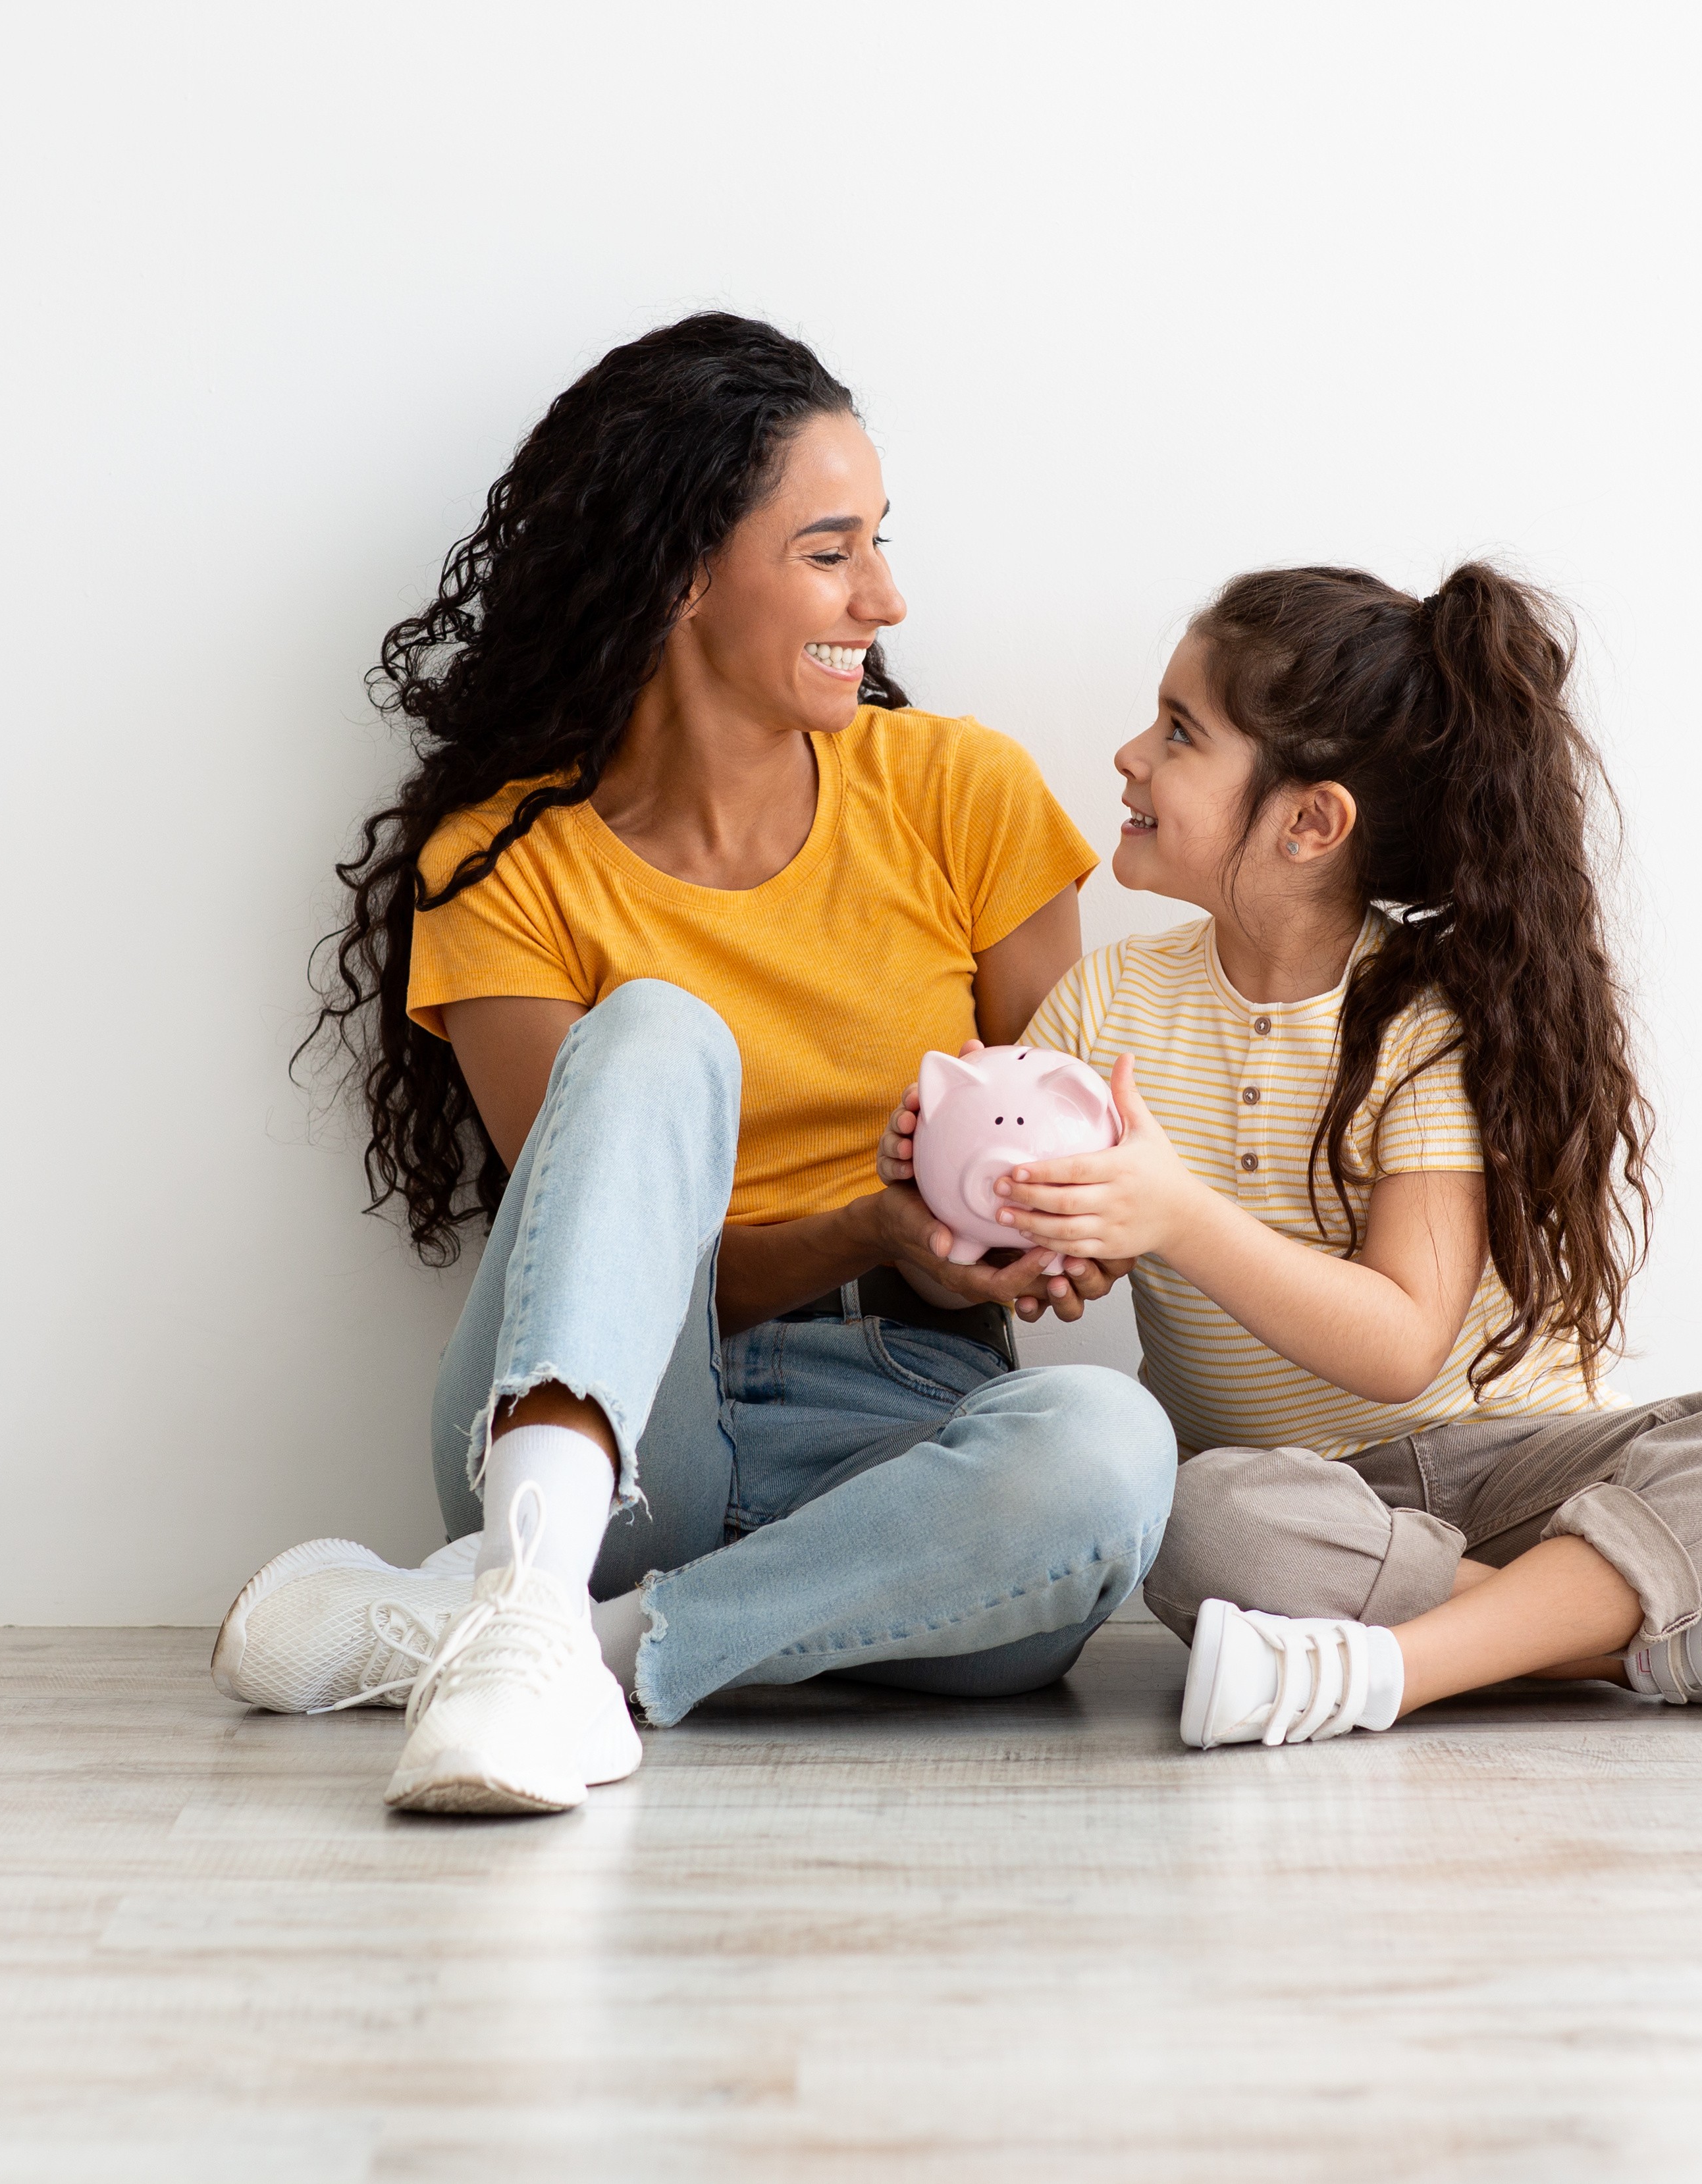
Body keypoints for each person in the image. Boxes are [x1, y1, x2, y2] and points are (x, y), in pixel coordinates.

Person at [210, 313, 1172, 1815]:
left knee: (1109, 1449)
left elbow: (1066, 1143)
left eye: (880, 543)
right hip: (606, 1435)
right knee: (658, 1031)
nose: (886, 596)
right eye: (830, 551)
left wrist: (1053, 1236)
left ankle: (527, 1641)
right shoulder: (507, 867)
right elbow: (593, 1265)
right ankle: (538, 1577)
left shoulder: (959, 796)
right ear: (679, 572)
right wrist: (860, 1226)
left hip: (900, 1421)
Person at [886, 564, 1702, 1749]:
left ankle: (1389, 1670)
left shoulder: (1420, 1013)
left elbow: (1402, 1342)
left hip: (1520, 1474)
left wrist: (1174, 1214)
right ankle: (1645, 1640)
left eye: (1180, 732)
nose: (1131, 754)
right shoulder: (1107, 1005)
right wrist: (965, 1203)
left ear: (1311, 821)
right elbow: (1014, 1252)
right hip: (1309, 1504)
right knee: (1191, 1519)